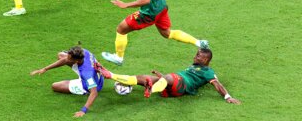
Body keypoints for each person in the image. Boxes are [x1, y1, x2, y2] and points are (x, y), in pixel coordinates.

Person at [96, 48, 241, 104]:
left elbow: (217, 84)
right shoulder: (195, 65)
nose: (196, 57)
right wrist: (163, 78)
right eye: (196, 54)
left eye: (199, 57)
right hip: (172, 84)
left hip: (182, 85)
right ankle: (111, 74)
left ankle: (151, 90)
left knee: (168, 77)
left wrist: (228, 97)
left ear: (206, 60)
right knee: (142, 77)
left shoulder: (208, 71)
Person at [30, 45, 104, 118]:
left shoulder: (87, 74)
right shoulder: (84, 52)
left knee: (55, 86)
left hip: (90, 84)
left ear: (77, 61)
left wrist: (83, 110)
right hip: (94, 74)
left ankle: (84, 91)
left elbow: (94, 93)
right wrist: (45, 69)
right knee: (60, 55)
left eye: (69, 59)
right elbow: (65, 60)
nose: (66, 59)